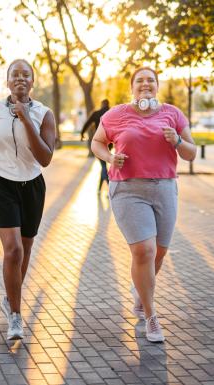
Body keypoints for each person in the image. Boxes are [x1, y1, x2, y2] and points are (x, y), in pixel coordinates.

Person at [91, 67, 196, 342]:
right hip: (127, 189)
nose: (146, 84)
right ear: (132, 87)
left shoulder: (173, 113)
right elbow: (97, 142)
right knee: (144, 251)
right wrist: (110, 158)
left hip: (164, 188)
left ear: (157, 86)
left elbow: (191, 152)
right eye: (140, 80)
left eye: (151, 80)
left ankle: (140, 290)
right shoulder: (115, 114)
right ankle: (151, 317)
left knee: (160, 252)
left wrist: (177, 141)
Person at [0, 59, 56, 340]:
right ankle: (16, 315)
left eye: (25, 75)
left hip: (32, 186)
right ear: (7, 82)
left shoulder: (44, 113)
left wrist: (26, 118)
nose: (20, 79)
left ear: (32, 82)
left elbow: (45, 157)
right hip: (0, 183)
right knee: (13, 250)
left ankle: (9, 299)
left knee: (26, 249)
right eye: (14, 75)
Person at [81, 99, 110, 192]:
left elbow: (87, 123)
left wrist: (82, 134)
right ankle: (99, 188)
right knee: (104, 166)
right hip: (109, 144)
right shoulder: (111, 113)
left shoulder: (96, 113)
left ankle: (110, 188)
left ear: (102, 105)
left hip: (99, 144)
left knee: (103, 166)